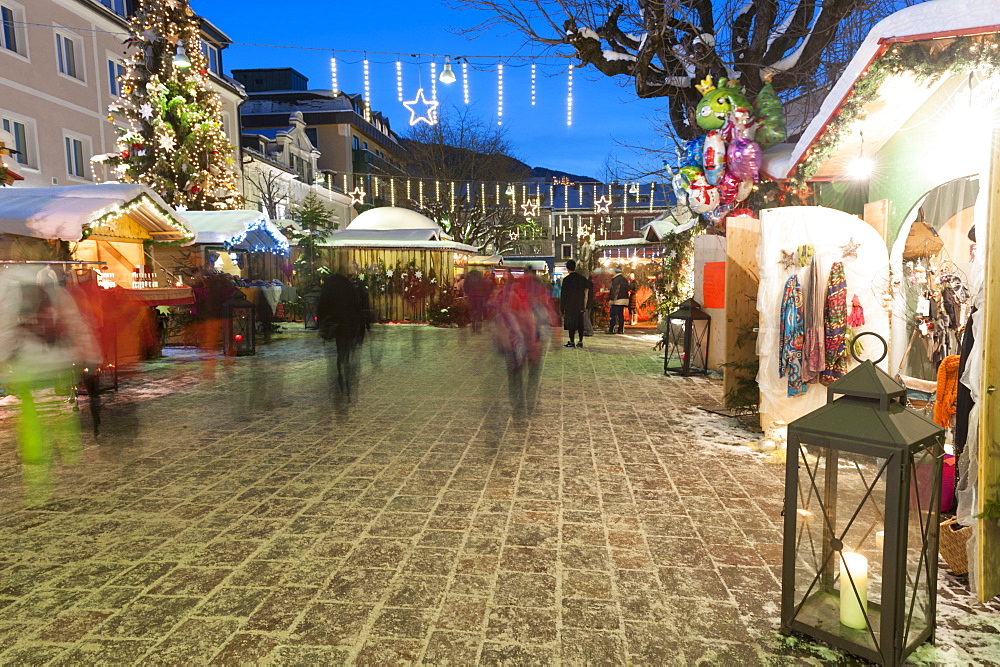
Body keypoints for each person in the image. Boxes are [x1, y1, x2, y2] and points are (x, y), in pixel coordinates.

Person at [316, 273, 365, 398]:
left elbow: (321, 306)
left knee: (339, 349)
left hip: (335, 324)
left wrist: (321, 324)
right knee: (347, 349)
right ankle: (347, 370)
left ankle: (340, 372)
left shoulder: (329, 287)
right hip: (349, 323)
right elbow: (357, 306)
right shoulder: (349, 287)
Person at [559, 259, 588, 348]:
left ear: (567, 268)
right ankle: (580, 341)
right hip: (580, 304)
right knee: (580, 323)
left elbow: (563, 295)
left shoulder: (566, 280)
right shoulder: (581, 278)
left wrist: (562, 308)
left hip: (570, 305)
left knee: (571, 324)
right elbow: (590, 285)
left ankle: (571, 341)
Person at [608, 267, 630, 334]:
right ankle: (621, 329)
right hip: (624, 299)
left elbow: (615, 291)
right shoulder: (624, 280)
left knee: (613, 314)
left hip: (616, 299)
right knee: (620, 314)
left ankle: (611, 328)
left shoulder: (615, 280)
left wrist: (611, 300)